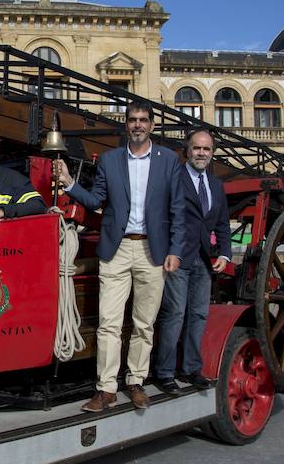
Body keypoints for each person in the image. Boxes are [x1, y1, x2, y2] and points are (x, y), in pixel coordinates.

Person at [55, 100, 186, 412]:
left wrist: (175, 250)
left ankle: (136, 381)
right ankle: (106, 388)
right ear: (126, 125)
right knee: (109, 323)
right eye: (132, 120)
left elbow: (178, 210)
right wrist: (70, 184)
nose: (138, 125)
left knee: (144, 323)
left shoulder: (168, 160)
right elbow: (97, 199)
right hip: (116, 248)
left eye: (143, 120)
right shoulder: (111, 160)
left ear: (152, 125)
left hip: (152, 251)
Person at [154, 130, 232, 393]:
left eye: (207, 149)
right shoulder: (173, 178)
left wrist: (224, 253)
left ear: (212, 154)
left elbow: (221, 223)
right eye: (197, 148)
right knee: (174, 314)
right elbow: (162, 216)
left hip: (205, 260)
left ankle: (190, 369)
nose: (201, 153)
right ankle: (164, 373)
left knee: (198, 314)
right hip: (177, 257)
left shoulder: (216, 186)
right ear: (187, 151)